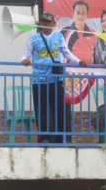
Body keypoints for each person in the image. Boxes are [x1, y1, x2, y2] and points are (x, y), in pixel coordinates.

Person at [21, 12, 81, 143]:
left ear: (54, 24)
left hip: (55, 79)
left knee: (58, 107)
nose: (46, 24)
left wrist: (79, 61)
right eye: (44, 22)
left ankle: (60, 137)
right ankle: (44, 136)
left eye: (49, 22)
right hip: (39, 80)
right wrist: (25, 60)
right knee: (41, 109)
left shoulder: (59, 37)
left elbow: (67, 53)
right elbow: (25, 54)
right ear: (40, 23)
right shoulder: (33, 38)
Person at [63, 0, 96, 65]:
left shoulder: (93, 33)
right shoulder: (65, 31)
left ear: (87, 15)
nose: (80, 16)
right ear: (73, 14)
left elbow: (96, 53)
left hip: (88, 71)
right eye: (78, 13)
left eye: (83, 13)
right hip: (70, 71)